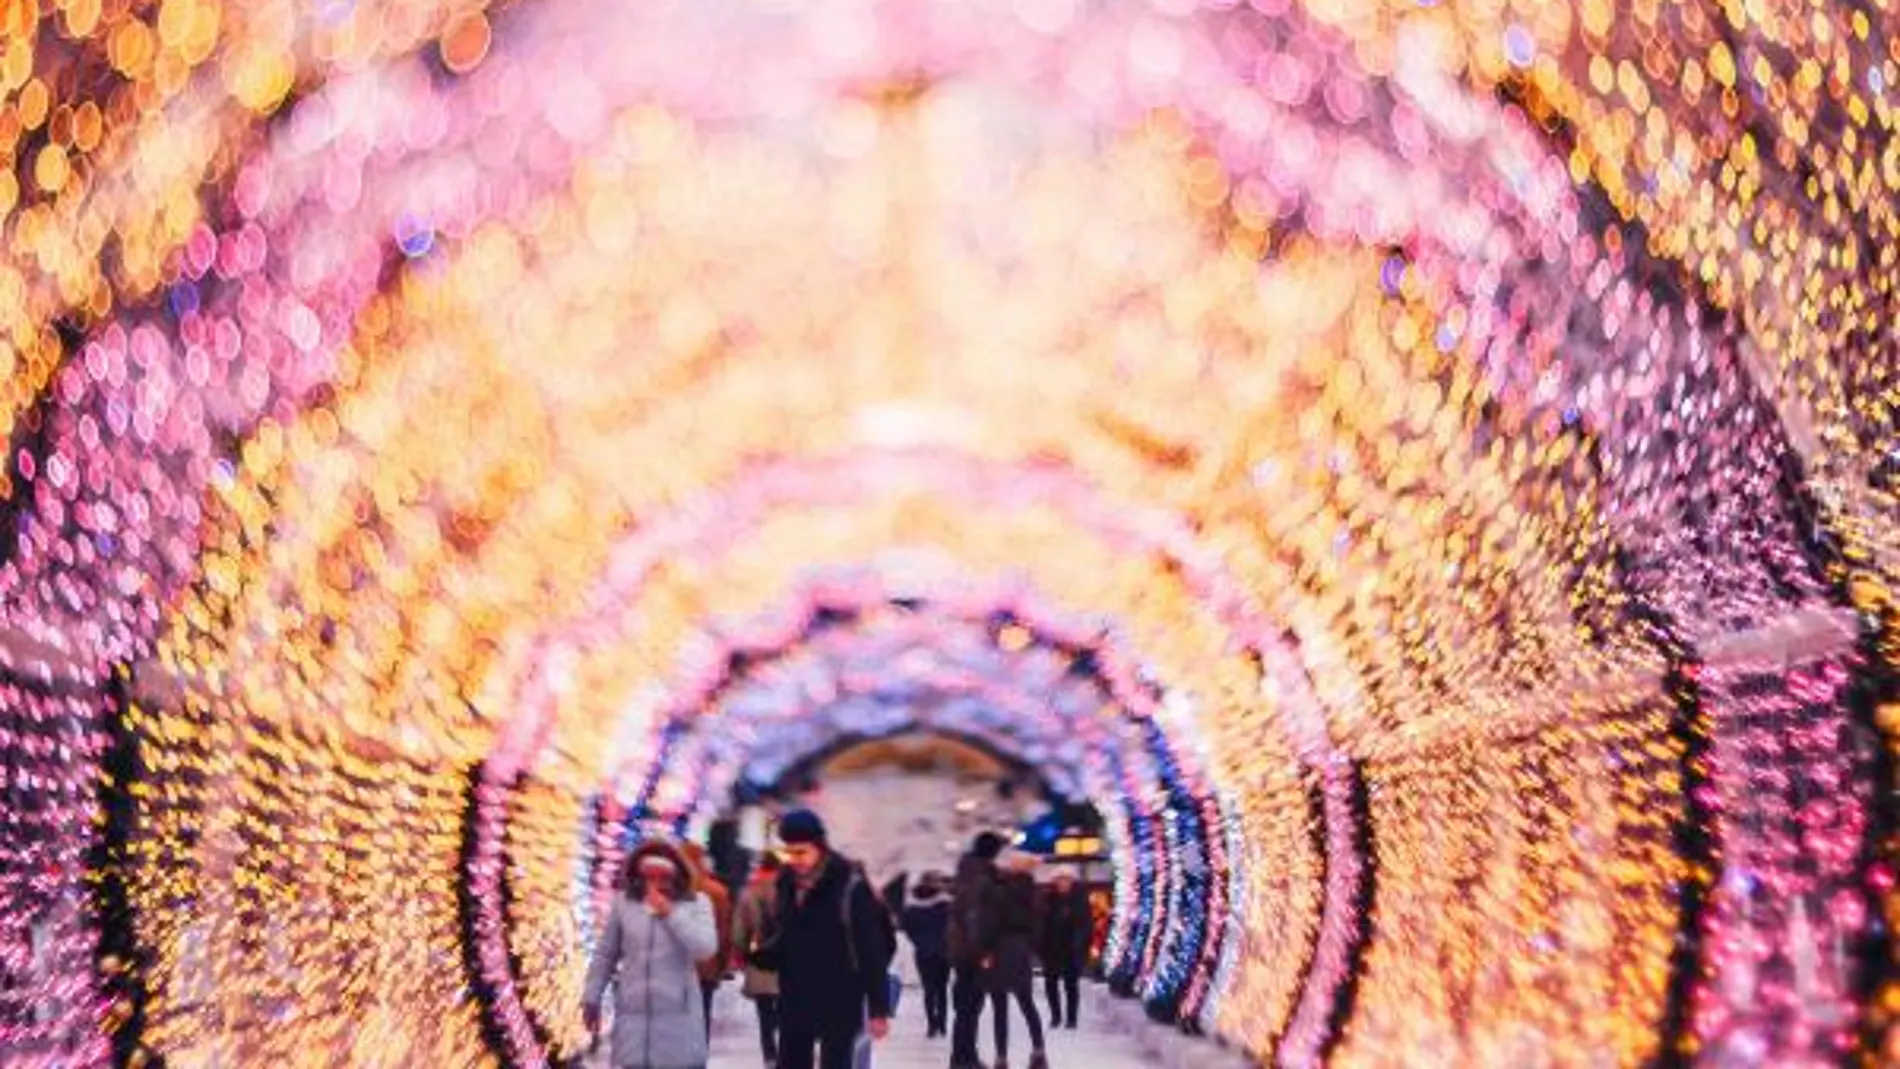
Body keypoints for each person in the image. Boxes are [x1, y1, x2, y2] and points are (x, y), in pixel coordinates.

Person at [770, 809, 895, 1069]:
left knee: (837, 1062)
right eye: (789, 852)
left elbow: (870, 948)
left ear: (820, 847)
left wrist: (878, 1008)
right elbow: (787, 935)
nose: (795, 860)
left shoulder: (849, 886)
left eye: (801, 852)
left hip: (840, 995)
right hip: (795, 994)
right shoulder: (785, 883)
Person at [583, 839, 721, 1069]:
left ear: (676, 875)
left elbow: (705, 948)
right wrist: (592, 996)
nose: (655, 883)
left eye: (663, 876)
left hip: (677, 1021)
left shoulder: (696, 904)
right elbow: (606, 954)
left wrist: (670, 914)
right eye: (649, 876)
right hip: (633, 1019)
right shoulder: (624, 905)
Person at [947, 832, 1004, 1069]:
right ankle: (964, 1059)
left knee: (966, 1005)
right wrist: (984, 950)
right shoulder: (981, 877)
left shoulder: (966, 871)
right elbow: (975, 916)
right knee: (970, 1004)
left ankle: (963, 1055)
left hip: (962, 950)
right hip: (973, 951)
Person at [986, 851, 1048, 1069]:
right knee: (1026, 1002)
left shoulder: (1004, 890)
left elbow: (994, 919)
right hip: (1020, 949)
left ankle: (1001, 1056)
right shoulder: (1032, 891)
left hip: (1001, 947)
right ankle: (1038, 1050)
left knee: (1000, 1006)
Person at [732, 853, 785, 1067]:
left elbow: (737, 933)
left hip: (759, 960)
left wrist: (743, 954)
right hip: (787, 963)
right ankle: (786, 1053)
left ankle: (770, 1057)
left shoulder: (748, 893)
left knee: (764, 1015)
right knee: (786, 1011)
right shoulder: (789, 891)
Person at [680, 841, 735, 1037]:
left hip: (676, 967)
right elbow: (724, 932)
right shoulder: (718, 892)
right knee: (702, 1012)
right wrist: (723, 964)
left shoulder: (671, 891)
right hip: (706, 966)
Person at [902, 873, 954, 1038]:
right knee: (942, 990)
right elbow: (952, 926)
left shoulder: (913, 906)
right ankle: (943, 1023)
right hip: (943, 951)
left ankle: (932, 1024)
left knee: (929, 990)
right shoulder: (945, 904)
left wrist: (919, 941)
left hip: (923, 952)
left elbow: (907, 927)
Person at [1037, 872, 1090, 1030]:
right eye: (1059, 879)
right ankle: (1056, 1016)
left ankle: (1071, 1018)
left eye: (1066, 880)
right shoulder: (1048, 899)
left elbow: (1085, 924)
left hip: (1071, 948)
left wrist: (1080, 944)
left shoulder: (1078, 899)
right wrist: (1040, 945)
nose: (1062, 883)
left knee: (1071, 985)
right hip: (1051, 948)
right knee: (1051, 984)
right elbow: (1041, 923)